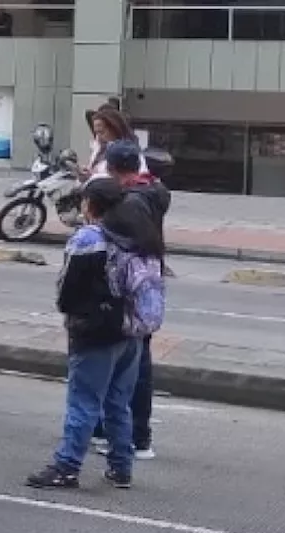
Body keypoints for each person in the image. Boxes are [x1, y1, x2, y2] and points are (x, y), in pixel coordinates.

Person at [26, 177, 143, 490]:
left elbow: (67, 290)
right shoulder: (136, 234)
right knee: (118, 401)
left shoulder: (87, 239)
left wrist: (69, 314)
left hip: (95, 331)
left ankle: (67, 466)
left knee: (84, 401)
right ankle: (121, 466)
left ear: (91, 205)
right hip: (132, 329)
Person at [92, 140, 170, 461]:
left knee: (127, 365)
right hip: (148, 285)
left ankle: (130, 435)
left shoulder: (130, 202)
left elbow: (124, 248)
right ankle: (133, 434)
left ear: (112, 169)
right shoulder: (153, 190)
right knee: (137, 362)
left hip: (130, 290)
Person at [85, 107, 145, 178]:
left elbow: (137, 179)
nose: (98, 137)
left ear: (115, 129)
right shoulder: (98, 150)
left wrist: (94, 176)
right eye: (96, 133)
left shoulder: (131, 153)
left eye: (102, 132)